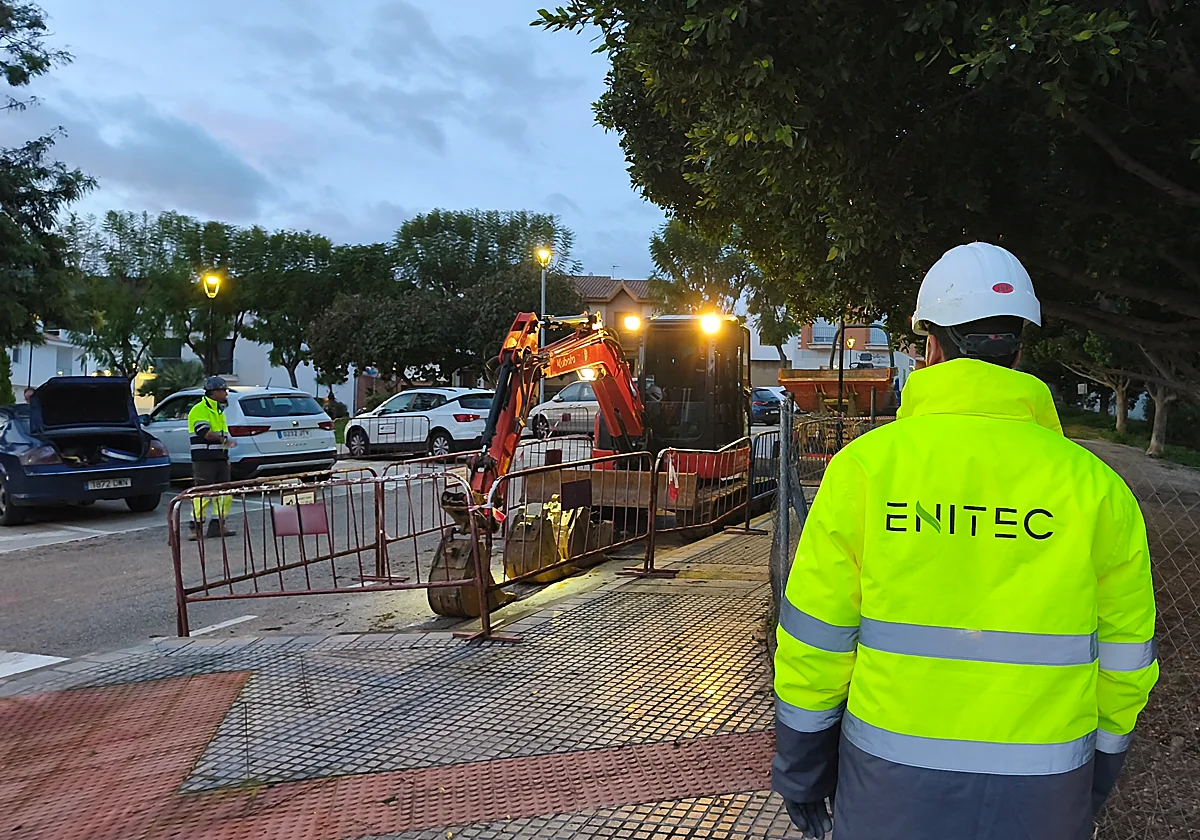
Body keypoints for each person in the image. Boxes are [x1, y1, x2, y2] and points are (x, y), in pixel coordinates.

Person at [773, 242, 1158, 840]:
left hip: (888, 791)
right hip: (1045, 793)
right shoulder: (1097, 490)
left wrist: (802, 770)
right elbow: (1126, 662)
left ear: (931, 347)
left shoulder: (866, 471)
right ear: (1021, 351)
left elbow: (815, 644)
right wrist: (1098, 775)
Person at [187, 376, 237, 540]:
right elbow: (204, 433)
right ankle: (196, 527)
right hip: (204, 459)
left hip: (219, 458)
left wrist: (226, 456)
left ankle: (217, 525)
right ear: (214, 392)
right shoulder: (200, 409)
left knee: (224, 493)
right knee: (202, 493)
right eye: (224, 390)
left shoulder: (218, 411)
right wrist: (225, 441)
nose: (226, 394)